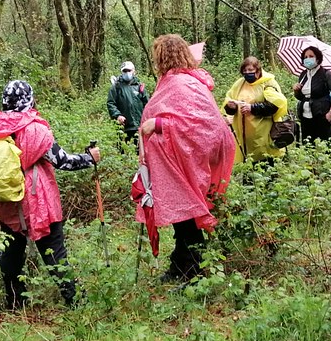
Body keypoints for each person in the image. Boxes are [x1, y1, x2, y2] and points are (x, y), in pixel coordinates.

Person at [0, 80, 100, 309]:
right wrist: (89, 158)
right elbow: (62, 161)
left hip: (6, 199)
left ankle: (15, 302)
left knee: (12, 250)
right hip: (35, 200)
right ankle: (74, 300)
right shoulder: (34, 128)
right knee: (53, 248)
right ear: (29, 99)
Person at [138, 34, 236, 283]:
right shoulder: (173, 81)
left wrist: (159, 123)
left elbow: (204, 125)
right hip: (176, 160)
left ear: (164, 56)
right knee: (181, 217)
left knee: (187, 216)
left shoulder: (184, 83)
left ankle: (193, 273)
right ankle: (180, 266)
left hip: (189, 160)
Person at [222, 56, 289, 163]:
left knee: (265, 165)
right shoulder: (240, 84)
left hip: (264, 133)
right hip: (245, 138)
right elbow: (229, 104)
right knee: (249, 167)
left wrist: (252, 108)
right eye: (245, 70)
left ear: (258, 71)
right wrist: (231, 107)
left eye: (250, 70)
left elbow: (274, 105)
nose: (247, 73)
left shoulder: (268, 83)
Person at [293, 45, 331, 144]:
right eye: (305, 57)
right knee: (307, 143)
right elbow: (300, 97)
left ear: (317, 58)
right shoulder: (303, 75)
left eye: (311, 56)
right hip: (305, 115)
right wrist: (296, 90)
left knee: (326, 142)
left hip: (322, 114)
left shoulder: (326, 74)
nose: (308, 59)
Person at [107, 60, 149, 142]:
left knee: (139, 151)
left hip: (138, 126)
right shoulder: (116, 87)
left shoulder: (140, 87)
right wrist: (117, 115)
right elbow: (111, 103)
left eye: (129, 70)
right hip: (123, 127)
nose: (127, 73)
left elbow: (147, 104)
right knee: (122, 151)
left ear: (134, 71)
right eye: (124, 71)